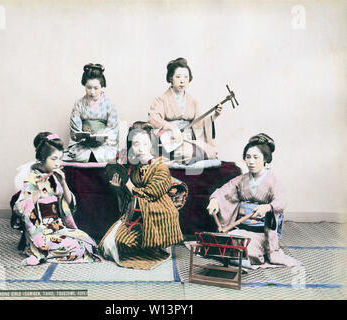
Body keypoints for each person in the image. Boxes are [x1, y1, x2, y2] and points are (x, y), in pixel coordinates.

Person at [206, 133, 300, 268]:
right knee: (222, 244)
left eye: (256, 157)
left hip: (261, 232)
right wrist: (214, 200)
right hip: (241, 227)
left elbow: (281, 201)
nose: (251, 161)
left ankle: (255, 254)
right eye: (248, 157)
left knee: (243, 251)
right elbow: (224, 191)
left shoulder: (272, 181)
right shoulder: (242, 179)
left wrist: (268, 207)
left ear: (265, 159)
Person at [99, 122, 184, 269]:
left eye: (145, 143)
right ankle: (144, 246)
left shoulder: (161, 167)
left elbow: (151, 193)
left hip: (157, 211)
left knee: (120, 243)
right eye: (136, 144)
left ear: (152, 144)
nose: (141, 148)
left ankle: (152, 248)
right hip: (138, 210)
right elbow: (129, 197)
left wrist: (128, 185)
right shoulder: (135, 167)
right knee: (106, 244)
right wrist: (118, 188)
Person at [13, 132, 101, 265]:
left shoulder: (54, 177)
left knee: (88, 243)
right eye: (54, 159)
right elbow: (20, 208)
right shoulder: (32, 179)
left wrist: (63, 182)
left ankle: (51, 252)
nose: (58, 163)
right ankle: (40, 252)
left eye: (60, 158)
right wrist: (37, 191)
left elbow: (71, 204)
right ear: (43, 158)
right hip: (41, 232)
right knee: (77, 247)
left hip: (57, 228)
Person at [148, 57, 223, 165]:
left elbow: (198, 124)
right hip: (171, 139)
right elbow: (153, 118)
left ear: (189, 79)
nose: (182, 80)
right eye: (178, 77)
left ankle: (187, 155)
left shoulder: (193, 101)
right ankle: (178, 157)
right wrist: (171, 127)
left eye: (186, 77)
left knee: (212, 152)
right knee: (187, 153)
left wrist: (215, 116)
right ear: (171, 78)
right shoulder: (161, 99)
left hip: (188, 139)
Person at [64, 63, 119, 163]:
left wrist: (102, 138)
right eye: (89, 87)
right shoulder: (79, 104)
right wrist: (83, 137)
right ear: (84, 86)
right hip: (83, 144)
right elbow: (75, 130)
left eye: (96, 88)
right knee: (79, 155)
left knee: (102, 155)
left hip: (104, 145)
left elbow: (113, 129)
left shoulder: (109, 105)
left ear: (102, 87)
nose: (92, 92)